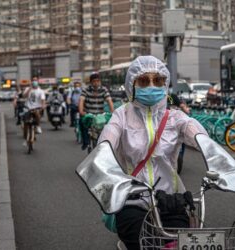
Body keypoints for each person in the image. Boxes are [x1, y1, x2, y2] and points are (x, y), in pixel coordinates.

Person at [97, 56, 208, 250]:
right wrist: (102, 153)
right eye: (143, 80)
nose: (151, 85)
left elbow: (197, 134)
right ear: (132, 84)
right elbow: (108, 137)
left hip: (170, 199)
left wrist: (214, 155)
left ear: (165, 84)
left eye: (157, 80)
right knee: (139, 243)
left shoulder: (175, 117)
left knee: (178, 243)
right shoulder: (121, 115)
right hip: (132, 199)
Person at [78, 72, 114, 150]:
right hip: (89, 115)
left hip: (100, 116)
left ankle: (108, 144)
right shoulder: (86, 90)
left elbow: (109, 101)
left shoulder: (104, 89)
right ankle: (86, 142)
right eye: (94, 81)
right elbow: (81, 100)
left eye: (98, 81)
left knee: (109, 126)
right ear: (91, 82)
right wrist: (81, 111)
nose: (96, 83)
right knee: (82, 122)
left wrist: (112, 112)